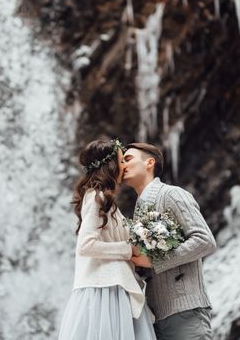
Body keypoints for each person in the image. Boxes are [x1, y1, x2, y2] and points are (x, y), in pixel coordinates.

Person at [58, 139, 156, 340]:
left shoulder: (106, 200)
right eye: (121, 161)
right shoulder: (96, 197)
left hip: (114, 286)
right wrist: (128, 250)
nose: (124, 166)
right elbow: (86, 245)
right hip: (105, 291)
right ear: (110, 166)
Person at [123, 142, 217, 340]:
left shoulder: (172, 194)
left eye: (128, 159)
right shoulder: (138, 210)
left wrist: (154, 262)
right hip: (156, 316)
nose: (122, 165)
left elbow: (205, 240)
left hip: (185, 310)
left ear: (150, 163)